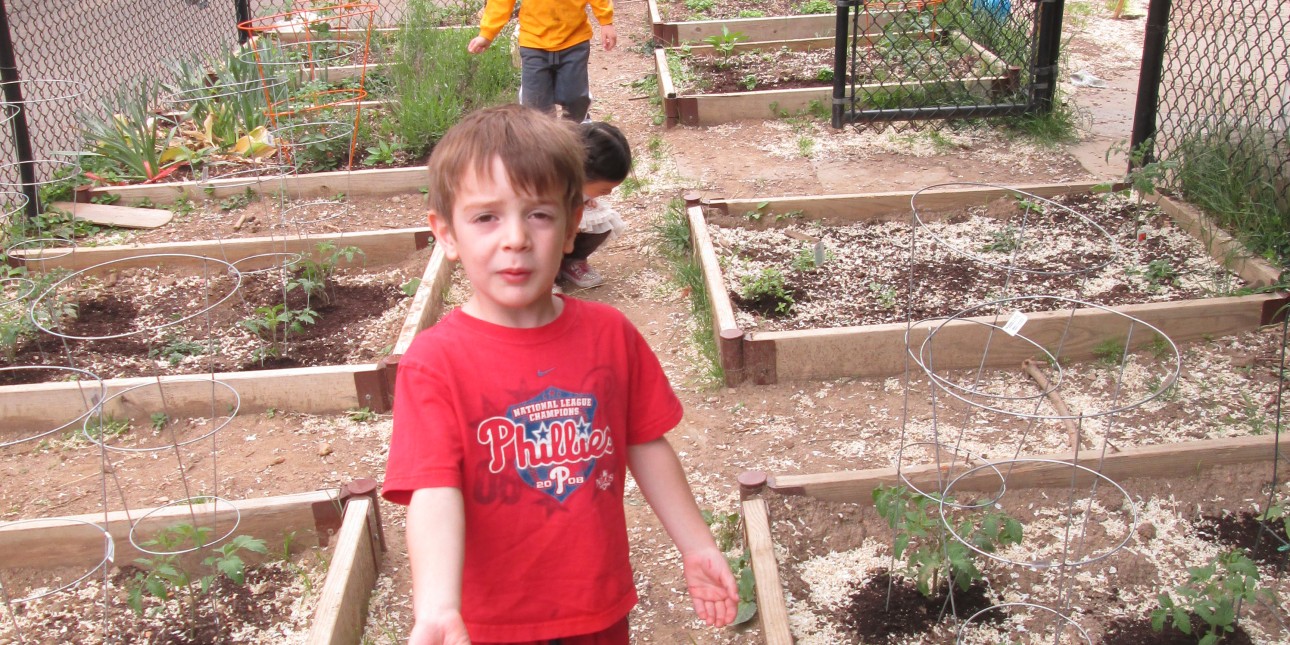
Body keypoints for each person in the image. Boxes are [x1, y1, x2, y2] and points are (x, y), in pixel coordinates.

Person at [381, 104, 739, 644]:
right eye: (486, 217)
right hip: (486, 624)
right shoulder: (434, 362)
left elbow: (645, 443)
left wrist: (697, 545)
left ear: (573, 225)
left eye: (539, 215)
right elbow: (433, 490)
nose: (516, 239)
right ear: (446, 234)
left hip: (595, 607)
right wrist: (434, 606)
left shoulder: (610, 335)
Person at [467, 0, 616, 123]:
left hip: (574, 40)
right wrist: (487, 34)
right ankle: (545, 145)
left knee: (575, 100)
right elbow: (500, 3)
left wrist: (606, 21)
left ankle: (577, 127)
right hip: (533, 43)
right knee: (536, 110)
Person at [559, 120, 630, 289]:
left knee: (604, 221)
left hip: (569, 222)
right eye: (604, 189)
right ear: (581, 176)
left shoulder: (579, 185)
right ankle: (546, 276)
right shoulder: (549, 187)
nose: (609, 193)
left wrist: (586, 198)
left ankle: (572, 261)